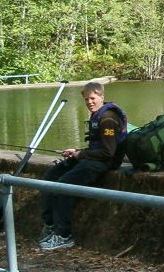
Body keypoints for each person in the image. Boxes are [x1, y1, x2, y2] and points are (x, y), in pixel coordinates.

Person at [39, 81, 127, 251]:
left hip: (103, 164)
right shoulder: (98, 115)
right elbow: (96, 147)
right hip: (92, 159)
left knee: (64, 186)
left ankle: (64, 235)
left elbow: (108, 153)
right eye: (86, 99)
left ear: (102, 97)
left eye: (93, 98)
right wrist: (76, 152)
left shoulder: (108, 118)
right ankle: (50, 225)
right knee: (50, 176)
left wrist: (81, 154)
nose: (89, 102)